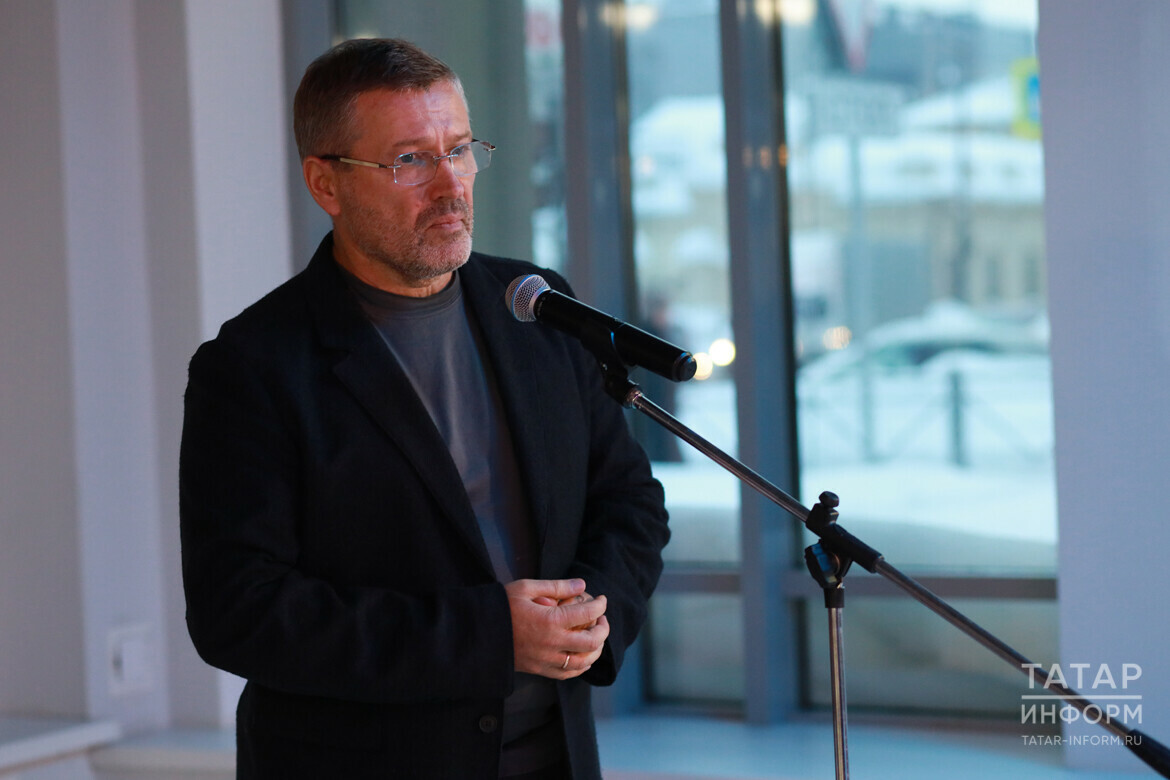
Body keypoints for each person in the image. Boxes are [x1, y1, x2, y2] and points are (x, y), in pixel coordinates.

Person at [178, 37, 670, 780]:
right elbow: (239, 612)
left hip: (554, 757)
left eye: (460, 149)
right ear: (326, 183)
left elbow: (628, 500)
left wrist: (592, 614)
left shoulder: (536, 307)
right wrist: (490, 636)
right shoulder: (253, 367)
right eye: (410, 159)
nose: (450, 185)